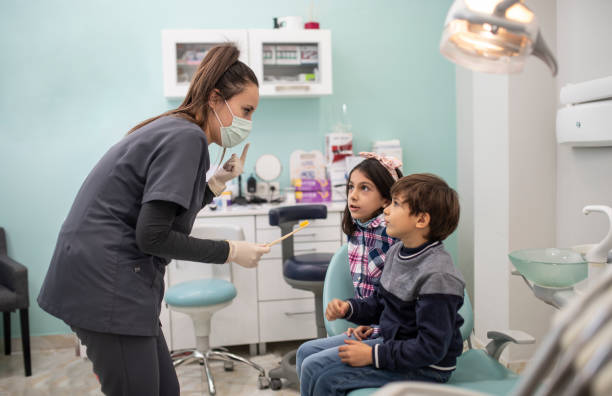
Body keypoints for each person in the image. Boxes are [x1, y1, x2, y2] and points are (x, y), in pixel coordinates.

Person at [37, 44, 270, 396]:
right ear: (215, 99)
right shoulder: (187, 137)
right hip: (106, 283)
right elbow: (154, 237)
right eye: (246, 110)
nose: (247, 123)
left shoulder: (176, 128)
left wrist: (214, 185)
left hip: (109, 276)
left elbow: (163, 212)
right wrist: (231, 250)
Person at [300, 173, 464, 396]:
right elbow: (381, 302)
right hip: (393, 343)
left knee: (321, 374)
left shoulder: (438, 275)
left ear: (421, 220)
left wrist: (373, 354)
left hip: (426, 368)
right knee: (306, 352)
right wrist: (349, 308)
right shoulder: (398, 251)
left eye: (396, 204)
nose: (386, 209)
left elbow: (431, 348)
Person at [296, 152, 402, 377]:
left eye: (364, 188)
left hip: (390, 333)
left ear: (386, 198)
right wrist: (349, 309)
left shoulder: (393, 234)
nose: (352, 196)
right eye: (350, 187)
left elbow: (399, 304)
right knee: (305, 352)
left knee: (315, 366)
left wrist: (373, 327)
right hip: (369, 325)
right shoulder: (358, 229)